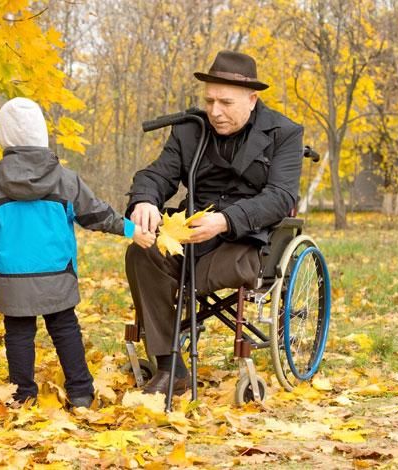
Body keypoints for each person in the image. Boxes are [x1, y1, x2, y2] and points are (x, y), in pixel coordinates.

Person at [125, 51, 304, 396]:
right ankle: (169, 366)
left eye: (225, 102)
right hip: (193, 228)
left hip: (246, 236)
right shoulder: (190, 130)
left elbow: (281, 196)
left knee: (203, 271)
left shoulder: (284, 132)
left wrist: (225, 220)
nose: (215, 111)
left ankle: (179, 316)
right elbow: (156, 174)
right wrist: (145, 200)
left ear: (252, 100)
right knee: (141, 252)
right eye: (209, 101)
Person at [0, 97, 155, 408]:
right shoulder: (65, 180)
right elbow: (96, 214)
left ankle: (22, 394)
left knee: (18, 335)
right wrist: (131, 231)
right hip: (57, 274)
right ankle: (80, 391)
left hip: (12, 279)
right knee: (65, 329)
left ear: (4, 137)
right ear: (42, 134)